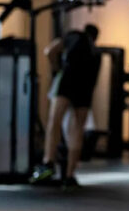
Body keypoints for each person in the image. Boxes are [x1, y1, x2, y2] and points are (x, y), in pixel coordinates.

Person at [30, 24, 101, 188]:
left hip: (68, 79)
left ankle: (48, 162)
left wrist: (56, 69)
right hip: (85, 87)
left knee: (54, 122)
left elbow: (49, 51)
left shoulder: (73, 35)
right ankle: (69, 176)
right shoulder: (95, 52)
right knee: (77, 129)